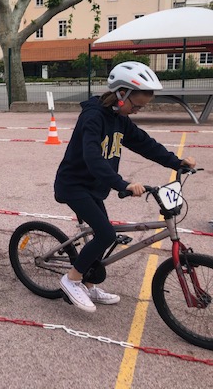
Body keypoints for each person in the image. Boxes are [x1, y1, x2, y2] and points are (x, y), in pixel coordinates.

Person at [54, 61, 196, 313]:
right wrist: (124, 184)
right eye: (137, 105)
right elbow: (92, 157)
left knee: (103, 236)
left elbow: (144, 143)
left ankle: (87, 284)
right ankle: (71, 280)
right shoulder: (93, 117)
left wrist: (177, 162)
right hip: (74, 185)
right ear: (121, 93)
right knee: (106, 234)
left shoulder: (119, 119)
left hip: (95, 187)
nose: (137, 111)